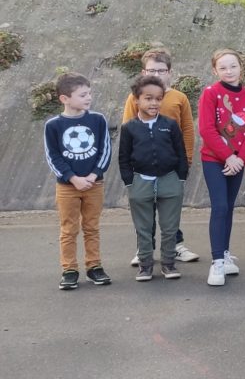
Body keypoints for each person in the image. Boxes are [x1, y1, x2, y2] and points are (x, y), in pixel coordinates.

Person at [121, 48, 199, 265]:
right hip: (143, 169)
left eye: (161, 70)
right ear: (143, 72)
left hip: (171, 167)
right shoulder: (133, 98)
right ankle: (144, 249)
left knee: (169, 210)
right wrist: (130, 172)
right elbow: (128, 128)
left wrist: (187, 160)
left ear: (170, 72)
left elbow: (187, 129)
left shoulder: (179, 98)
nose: (155, 74)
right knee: (145, 211)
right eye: (151, 70)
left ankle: (175, 245)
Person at [198, 48, 245, 287]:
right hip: (215, 159)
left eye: (232, 66)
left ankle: (224, 253)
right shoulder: (211, 93)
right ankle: (216, 262)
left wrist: (240, 159)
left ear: (240, 67)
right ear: (215, 70)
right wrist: (228, 157)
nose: (229, 71)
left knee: (230, 207)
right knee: (220, 206)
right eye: (223, 67)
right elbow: (207, 129)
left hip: (238, 161)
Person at [45, 72, 112, 290]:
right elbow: (53, 156)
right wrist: (73, 179)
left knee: (92, 227)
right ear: (65, 99)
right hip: (67, 188)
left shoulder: (97, 119)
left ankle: (94, 266)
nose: (88, 98)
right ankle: (69, 269)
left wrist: (93, 175)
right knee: (68, 229)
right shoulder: (53, 125)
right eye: (82, 94)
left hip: (94, 185)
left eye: (89, 93)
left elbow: (105, 150)